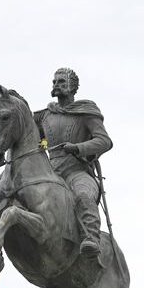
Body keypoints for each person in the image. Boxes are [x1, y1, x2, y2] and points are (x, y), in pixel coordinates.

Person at [34, 67, 112, 257]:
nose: (56, 85)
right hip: (50, 172)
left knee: (83, 194)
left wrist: (78, 148)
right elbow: (30, 136)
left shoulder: (85, 111)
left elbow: (104, 141)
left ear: (73, 86)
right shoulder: (45, 115)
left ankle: (91, 237)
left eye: (61, 81)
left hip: (76, 171)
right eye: (54, 82)